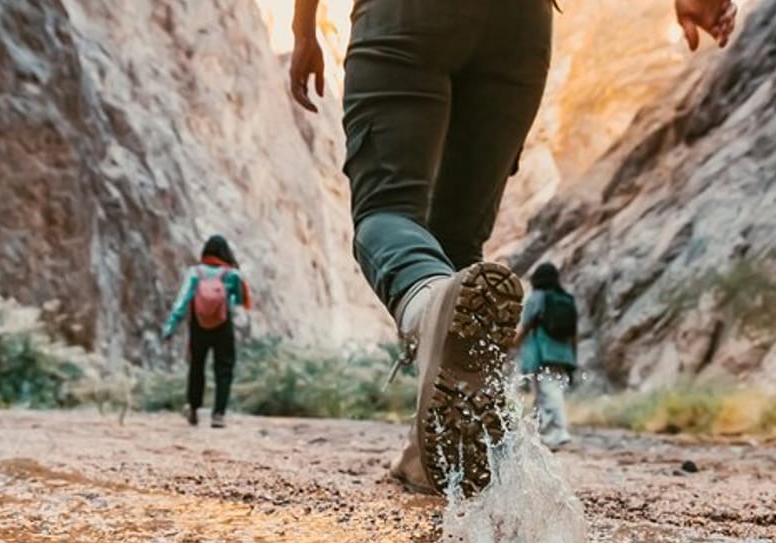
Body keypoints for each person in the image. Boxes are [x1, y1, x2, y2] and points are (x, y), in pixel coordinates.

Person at [289, 0, 736, 495]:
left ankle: (425, 307)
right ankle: (432, 449)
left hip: (405, 19)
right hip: (520, 29)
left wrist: (304, 29)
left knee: (386, 213)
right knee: (457, 246)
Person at [162, 235, 252, 429]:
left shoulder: (195, 272)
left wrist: (170, 326)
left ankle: (193, 408)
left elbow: (182, 300)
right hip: (222, 325)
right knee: (224, 369)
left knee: (197, 366)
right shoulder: (232, 274)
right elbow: (238, 302)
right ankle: (218, 414)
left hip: (198, 325)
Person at [515, 263, 579, 451]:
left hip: (542, 353)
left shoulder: (538, 298)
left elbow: (526, 326)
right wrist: (573, 357)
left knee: (547, 392)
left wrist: (511, 343)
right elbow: (574, 333)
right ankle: (546, 434)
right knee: (551, 391)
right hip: (563, 354)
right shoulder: (566, 299)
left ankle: (558, 434)